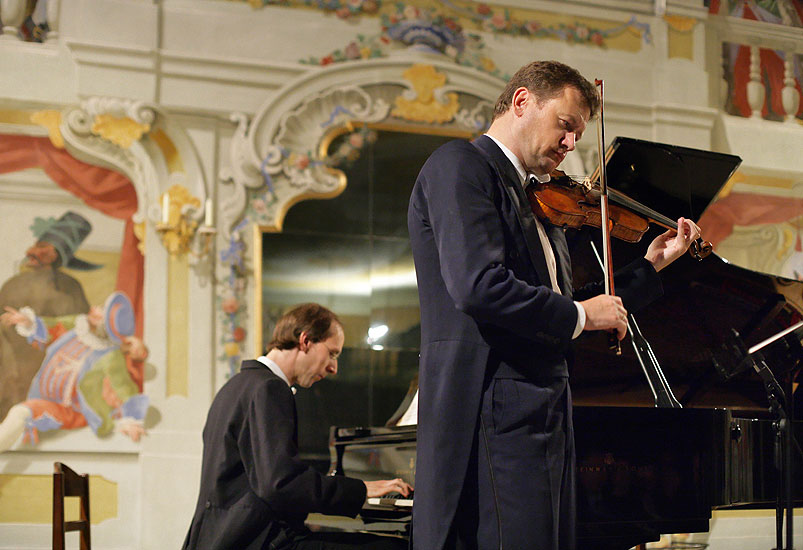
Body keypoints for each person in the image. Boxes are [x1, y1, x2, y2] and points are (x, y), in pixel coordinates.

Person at [406, 60, 701, 550]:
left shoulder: (540, 199)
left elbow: (557, 307)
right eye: (565, 126)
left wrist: (651, 266)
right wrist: (584, 317)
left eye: (578, 134)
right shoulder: (460, 165)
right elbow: (478, 285)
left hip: (542, 411)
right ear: (522, 102)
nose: (571, 145)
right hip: (495, 409)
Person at [182, 303, 412, 550]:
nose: (334, 368)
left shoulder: (236, 385)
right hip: (257, 541)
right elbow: (281, 484)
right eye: (332, 354)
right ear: (305, 341)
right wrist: (361, 490)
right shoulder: (269, 388)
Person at [0, 291, 148, 451]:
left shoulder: (110, 355)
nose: (95, 309)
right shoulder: (78, 326)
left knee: (19, 412)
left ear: (105, 327)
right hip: (44, 397)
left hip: (71, 410)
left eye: (101, 313)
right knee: (20, 412)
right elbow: (54, 325)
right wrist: (28, 321)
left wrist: (131, 419)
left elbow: (122, 387)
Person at [0, 211, 99, 420]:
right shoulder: (14, 285)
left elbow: (81, 329)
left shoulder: (70, 287)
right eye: (39, 245)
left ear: (57, 255)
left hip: (55, 372)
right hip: (14, 369)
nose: (33, 252)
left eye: (45, 248)